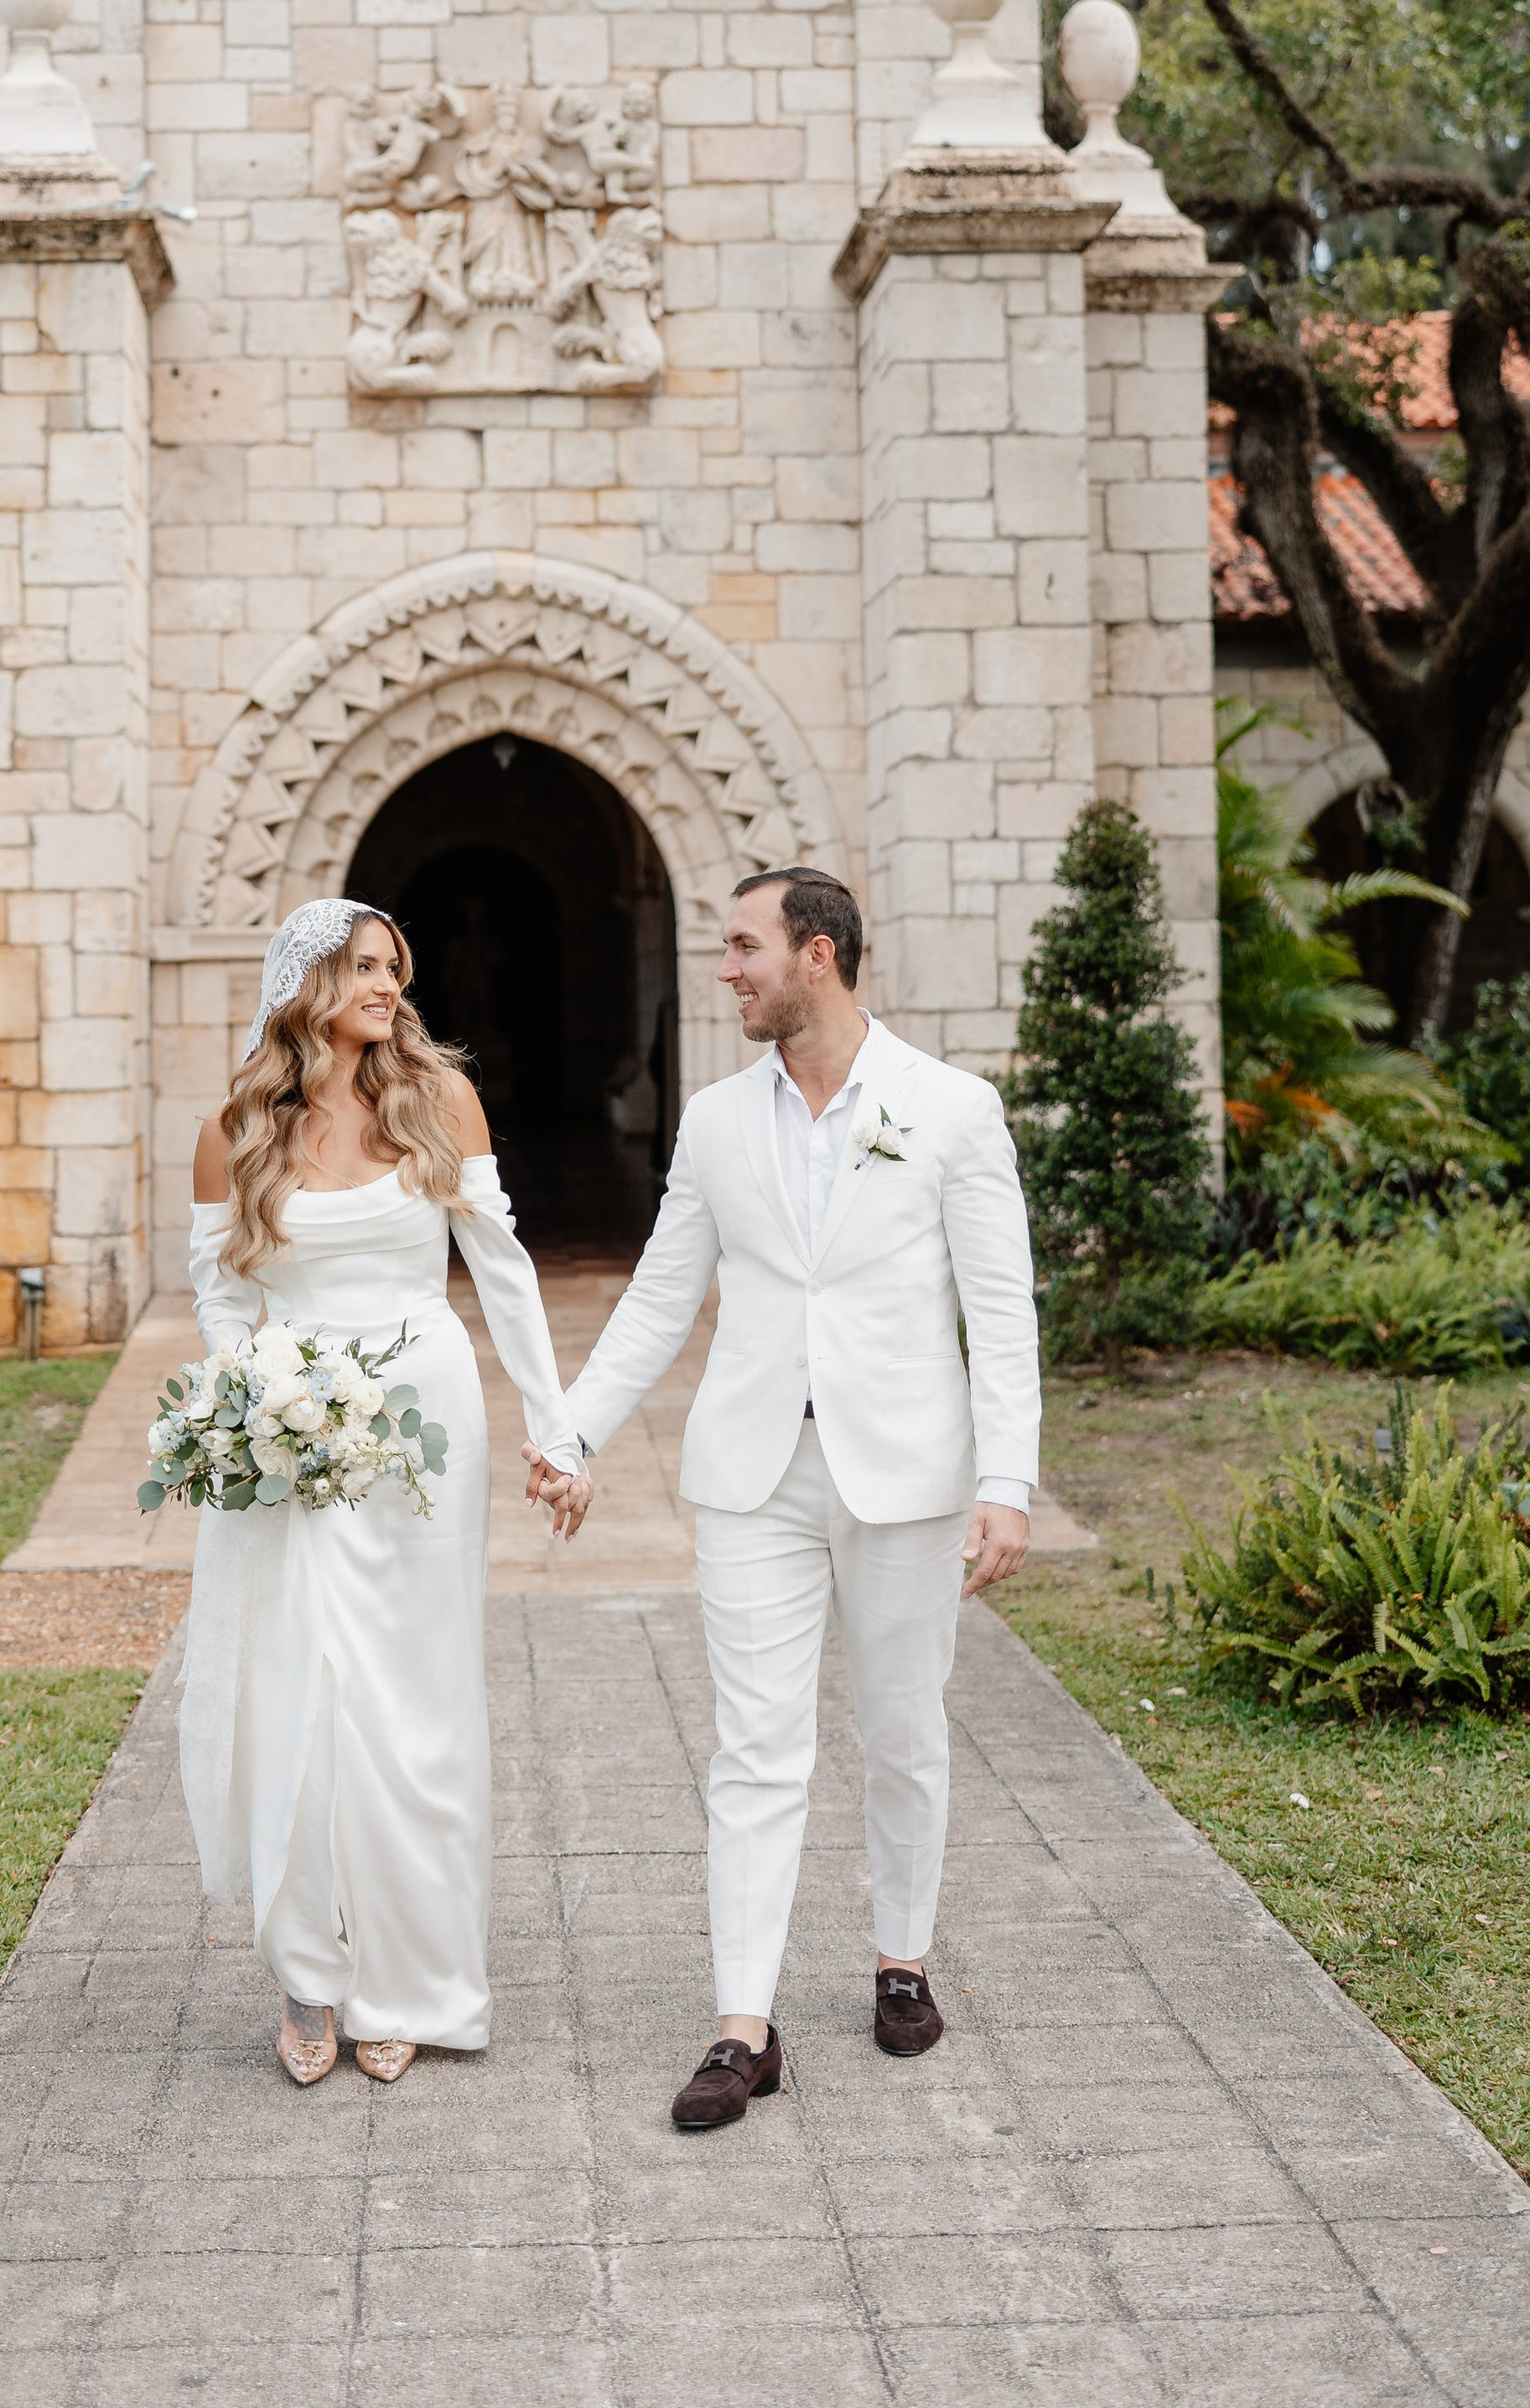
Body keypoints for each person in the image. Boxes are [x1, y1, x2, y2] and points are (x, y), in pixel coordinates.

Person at [526, 867, 1039, 2130]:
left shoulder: (950, 1107)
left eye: (745, 946)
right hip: (753, 1475)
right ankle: (742, 2026)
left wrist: (1006, 1480)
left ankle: (901, 1959)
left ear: (818, 954)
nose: (727, 970)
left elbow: (1000, 1309)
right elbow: (661, 1295)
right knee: (755, 1751)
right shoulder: (713, 1121)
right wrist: (573, 1432)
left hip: (908, 1476)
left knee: (904, 1729)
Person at [184, 896, 592, 2090]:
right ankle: (310, 1973)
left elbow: (503, 1273)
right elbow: (221, 1296)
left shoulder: (439, 1100)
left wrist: (555, 1428)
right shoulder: (235, 1128)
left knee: (415, 1701)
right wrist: (249, 1403)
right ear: (305, 980)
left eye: (394, 968)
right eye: (364, 965)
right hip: (296, 1431)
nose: (387, 986)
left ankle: (411, 1977)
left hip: (425, 1425)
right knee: (303, 1689)